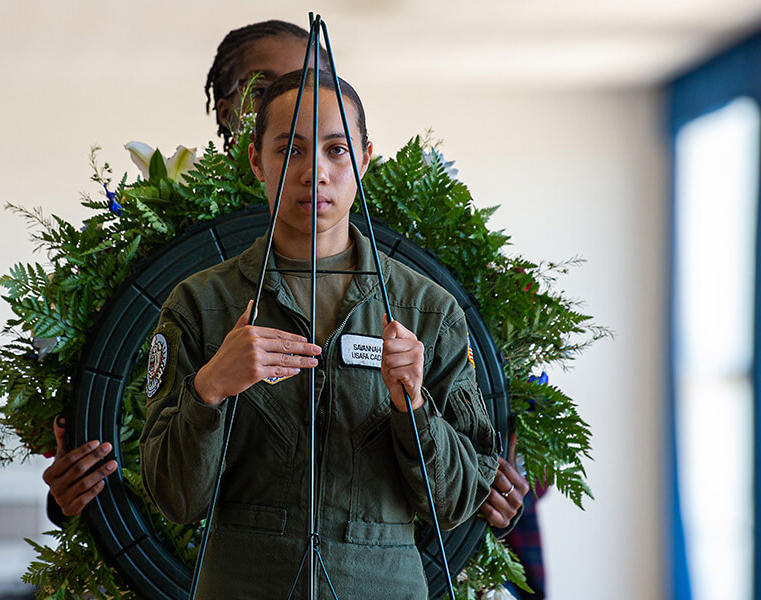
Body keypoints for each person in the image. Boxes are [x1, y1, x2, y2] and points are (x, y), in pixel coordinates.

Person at [46, 17, 527, 541]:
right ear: (235, 120)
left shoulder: (418, 292)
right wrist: (72, 498)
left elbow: (473, 459)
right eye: (269, 88)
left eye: (313, 80)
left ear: (363, 157)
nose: (299, 99)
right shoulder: (180, 269)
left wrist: (497, 497)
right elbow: (123, 430)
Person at [140, 69, 500, 599]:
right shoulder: (200, 305)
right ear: (256, 160)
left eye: (336, 150)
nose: (316, 173)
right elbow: (174, 498)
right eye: (291, 151)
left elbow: (458, 500)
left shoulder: (427, 312)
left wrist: (414, 408)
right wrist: (209, 389)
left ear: (366, 158)